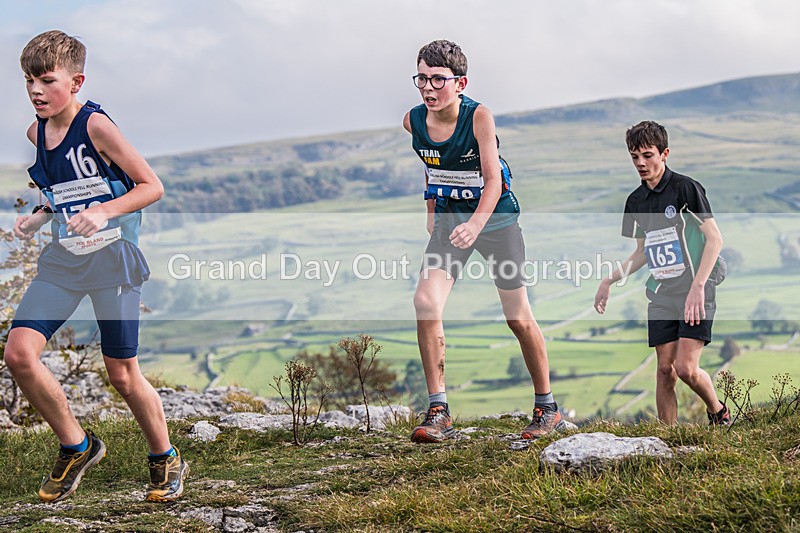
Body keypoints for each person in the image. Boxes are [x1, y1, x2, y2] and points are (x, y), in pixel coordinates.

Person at [4, 30, 188, 503]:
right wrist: (39, 217)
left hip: (113, 262)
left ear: (77, 80)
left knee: (122, 373)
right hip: (64, 261)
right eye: (28, 81)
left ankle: (165, 458)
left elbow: (151, 186)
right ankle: (77, 446)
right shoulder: (36, 133)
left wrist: (105, 213)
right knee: (19, 355)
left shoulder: (97, 127)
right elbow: (61, 189)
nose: (35, 91)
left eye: (46, 80)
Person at [403, 40, 563, 443]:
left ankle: (547, 407)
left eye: (438, 79)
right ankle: (438, 409)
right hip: (451, 219)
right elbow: (430, 163)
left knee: (517, 316)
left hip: (496, 222)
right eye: (421, 77)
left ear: (460, 83)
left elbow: (493, 180)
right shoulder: (412, 121)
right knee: (425, 302)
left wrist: (475, 226)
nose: (427, 87)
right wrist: (430, 208)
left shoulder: (480, 118)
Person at [594, 120, 729, 425]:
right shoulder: (635, 201)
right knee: (664, 370)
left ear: (664, 153)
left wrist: (698, 287)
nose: (641, 163)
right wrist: (609, 279)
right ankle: (666, 439)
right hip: (662, 293)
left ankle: (717, 410)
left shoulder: (686, 189)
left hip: (696, 290)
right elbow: (643, 251)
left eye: (647, 155)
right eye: (634, 157)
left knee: (686, 369)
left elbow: (715, 239)